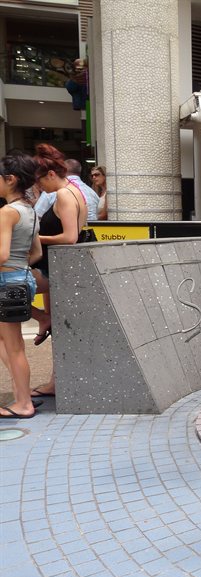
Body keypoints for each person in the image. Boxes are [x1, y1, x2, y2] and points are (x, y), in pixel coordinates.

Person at [29, 143, 88, 399]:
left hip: (55, 268)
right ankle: (55, 382)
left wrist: (37, 238)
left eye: (40, 181)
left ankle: (42, 318)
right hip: (63, 268)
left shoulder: (64, 195)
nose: (40, 187)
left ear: (51, 174)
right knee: (63, 330)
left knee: (7, 287)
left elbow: (70, 237)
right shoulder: (76, 192)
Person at [0, 151, 42, 419]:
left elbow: (2, 255)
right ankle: (21, 392)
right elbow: (36, 252)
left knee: (13, 346)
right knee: (11, 344)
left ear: (11, 179)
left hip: (6, 281)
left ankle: (23, 403)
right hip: (22, 279)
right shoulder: (29, 211)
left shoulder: (7, 212)